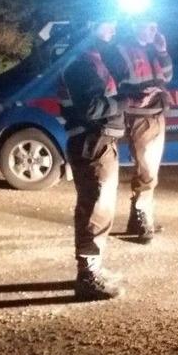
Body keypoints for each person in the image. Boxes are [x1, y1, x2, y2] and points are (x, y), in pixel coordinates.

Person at [59, 19, 149, 300]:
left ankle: (93, 268)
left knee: (100, 206)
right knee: (95, 207)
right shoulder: (81, 65)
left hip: (98, 141)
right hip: (92, 141)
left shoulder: (93, 60)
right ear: (88, 27)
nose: (112, 29)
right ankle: (88, 277)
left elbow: (104, 96)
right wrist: (128, 102)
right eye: (106, 24)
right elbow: (92, 107)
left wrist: (126, 97)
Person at [104, 18, 173, 244]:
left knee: (148, 168)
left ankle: (139, 217)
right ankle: (143, 218)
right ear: (135, 26)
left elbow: (168, 75)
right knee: (147, 169)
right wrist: (138, 94)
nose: (154, 31)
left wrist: (162, 51)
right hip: (140, 116)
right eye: (149, 26)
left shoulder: (153, 49)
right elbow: (113, 84)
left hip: (156, 113)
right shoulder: (120, 50)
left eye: (155, 26)